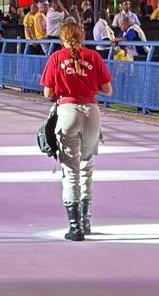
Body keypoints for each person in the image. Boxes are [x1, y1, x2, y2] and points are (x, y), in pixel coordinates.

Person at [40, 21, 113, 241]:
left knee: (70, 171)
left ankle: (75, 227)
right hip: (91, 112)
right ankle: (86, 219)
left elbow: (47, 92)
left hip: (67, 111)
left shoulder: (57, 58)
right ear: (82, 37)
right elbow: (108, 90)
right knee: (86, 166)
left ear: (62, 38)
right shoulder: (93, 57)